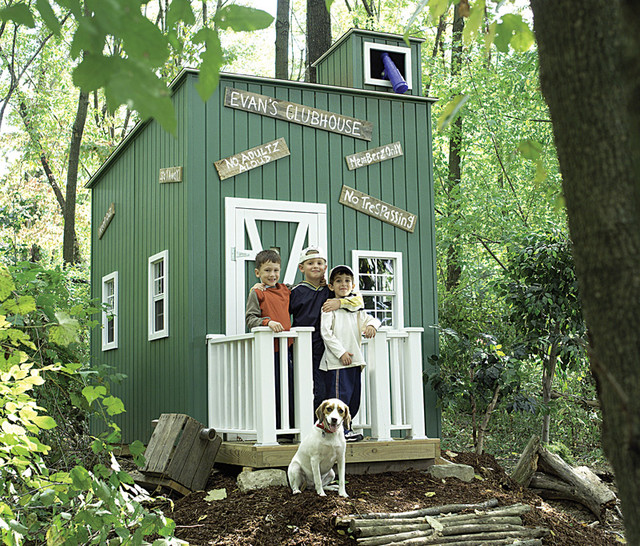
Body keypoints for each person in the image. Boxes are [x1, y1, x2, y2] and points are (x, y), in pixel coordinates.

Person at [289, 247, 362, 414]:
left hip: (327, 349)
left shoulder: (330, 290)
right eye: (311, 263)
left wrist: (340, 303)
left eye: (320, 263)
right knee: (298, 386)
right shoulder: (295, 292)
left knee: (324, 389)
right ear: (301, 267)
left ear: (325, 266)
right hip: (302, 346)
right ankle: (299, 423)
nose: (316, 266)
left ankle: (322, 425)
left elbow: (359, 301)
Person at [320, 265, 380, 442]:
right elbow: (326, 333)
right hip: (338, 362)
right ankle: (338, 432)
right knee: (339, 398)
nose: (343, 284)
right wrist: (341, 353)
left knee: (353, 399)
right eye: (338, 281)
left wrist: (371, 326)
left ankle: (347, 429)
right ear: (331, 286)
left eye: (347, 281)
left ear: (353, 285)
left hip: (355, 361)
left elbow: (373, 320)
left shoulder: (356, 309)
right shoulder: (329, 308)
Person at [245, 249, 294, 434]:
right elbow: (250, 319)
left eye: (275, 270)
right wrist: (268, 322)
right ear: (258, 273)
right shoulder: (257, 293)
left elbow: (303, 291)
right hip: (269, 350)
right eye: (267, 270)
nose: (272, 275)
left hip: (287, 347)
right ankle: (274, 428)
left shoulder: (286, 290)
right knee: (273, 389)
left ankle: (288, 427)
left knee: (289, 387)